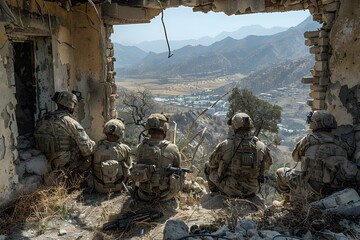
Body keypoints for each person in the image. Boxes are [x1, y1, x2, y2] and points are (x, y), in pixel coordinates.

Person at [276, 110, 356, 203]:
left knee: (280, 172)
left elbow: (295, 157)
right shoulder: (341, 143)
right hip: (333, 192)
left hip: (310, 189)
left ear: (314, 123)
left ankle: (290, 201)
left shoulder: (308, 140)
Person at [204, 112, 273, 200]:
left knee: (207, 166)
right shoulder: (261, 146)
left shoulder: (225, 145)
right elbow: (268, 165)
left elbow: (212, 163)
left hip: (229, 190)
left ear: (234, 127)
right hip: (252, 190)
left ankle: (216, 194)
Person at [34, 91, 95, 186]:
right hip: (63, 163)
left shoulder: (43, 119)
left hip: (45, 159)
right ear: (70, 107)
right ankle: (73, 184)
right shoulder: (70, 122)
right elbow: (87, 149)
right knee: (90, 156)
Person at [130, 113, 182, 201]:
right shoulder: (172, 148)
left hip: (143, 194)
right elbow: (178, 169)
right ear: (165, 129)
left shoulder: (139, 147)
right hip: (165, 196)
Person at [92, 118, 132, 193]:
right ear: (121, 133)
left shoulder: (96, 147)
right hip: (118, 187)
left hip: (99, 187)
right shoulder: (124, 149)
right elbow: (129, 167)